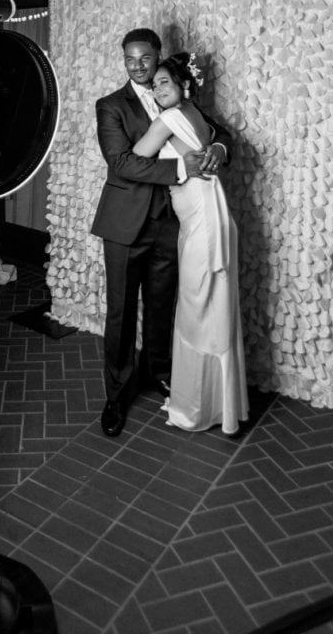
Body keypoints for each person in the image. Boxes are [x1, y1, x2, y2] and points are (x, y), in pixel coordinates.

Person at [91, 29, 233, 438]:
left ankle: (158, 373)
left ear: (157, 57)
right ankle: (116, 394)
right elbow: (121, 163)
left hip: (172, 223)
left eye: (145, 58)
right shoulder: (110, 106)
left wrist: (218, 151)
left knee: (162, 303)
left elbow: (218, 133)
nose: (137, 65)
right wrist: (181, 169)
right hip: (124, 224)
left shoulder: (178, 95)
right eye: (130, 59)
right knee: (120, 312)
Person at [133, 52, 248, 436]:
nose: (156, 88)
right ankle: (221, 404)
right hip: (210, 219)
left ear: (184, 86)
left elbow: (136, 157)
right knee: (209, 303)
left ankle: (197, 405)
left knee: (199, 307)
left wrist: (188, 151)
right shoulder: (193, 115)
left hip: (203, 224)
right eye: (155, 84)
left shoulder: (168, 119)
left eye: (164, 81)